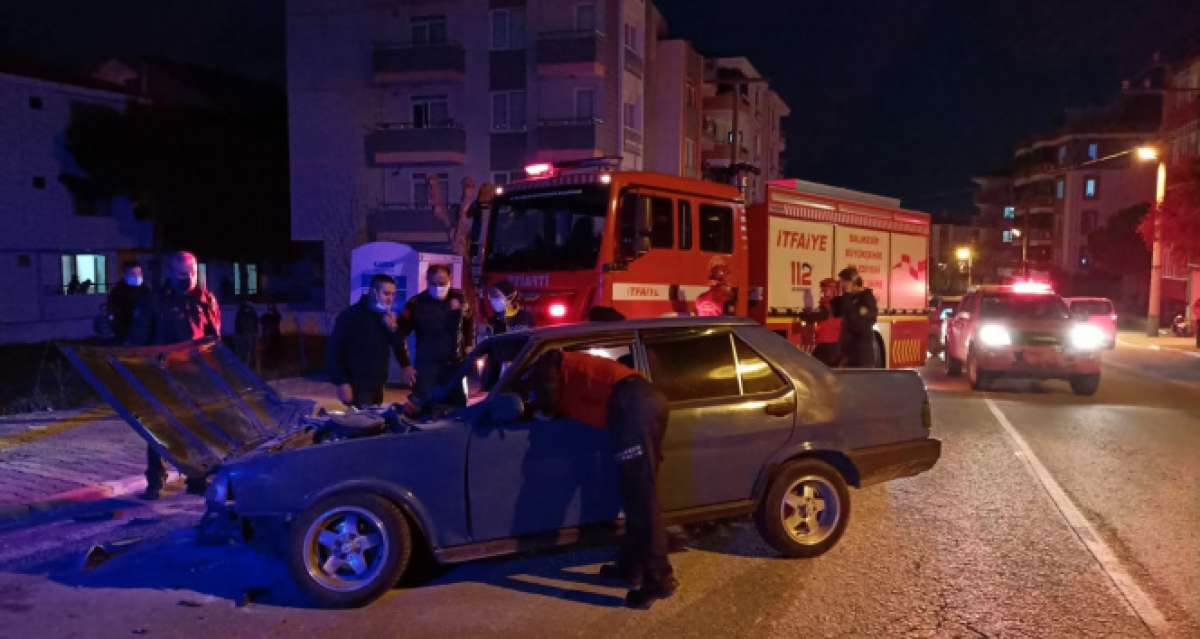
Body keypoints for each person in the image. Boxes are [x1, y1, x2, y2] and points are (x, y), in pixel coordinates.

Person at [529, 350, 676, 608]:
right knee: (633, 495)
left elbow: (549, 403)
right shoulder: (567, 365)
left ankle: (659, 579)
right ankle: (631, 566)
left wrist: (535, 407)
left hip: (633, 405)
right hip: (639, 402)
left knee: (641, 500)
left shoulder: (547, 365)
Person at [127, 251, 221, 500]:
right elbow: (139, 339)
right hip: (162, 376)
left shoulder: (205, 299)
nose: (187, 278)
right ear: (170, 273)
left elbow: (215, 340)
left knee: (196, 428)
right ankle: (155, 481)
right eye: (182, 274)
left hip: (196, 377)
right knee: (158, 429)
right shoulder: (155, 301)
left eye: (191, 273)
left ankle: (197, 478)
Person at [396, 264, 474, 407]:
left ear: (450, 279)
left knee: (457, 409)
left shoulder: (459, 298)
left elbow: (469, 322)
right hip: (427, 367)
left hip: (454, 366)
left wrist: (469, 345)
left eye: (442, 283)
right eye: (434, 283)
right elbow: (399, 334)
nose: (438, 287)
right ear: (427, 281)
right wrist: (405, 365)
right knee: (424, 408)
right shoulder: (416, 303)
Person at [325, 274, 407, 408]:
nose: (390, 299)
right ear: (373, 292)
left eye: (393, 295)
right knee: (362, 421)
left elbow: (397, 345)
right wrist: (341, 382)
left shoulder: (386, 317)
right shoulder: (350, 316)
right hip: (356, 382)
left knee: (373, 418)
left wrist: (393, 329)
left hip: (378, 382)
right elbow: (333, 351)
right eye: (386, 294)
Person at [830, 267, 878, 368]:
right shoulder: (849, 298)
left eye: (844, 282)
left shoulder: (866, 299)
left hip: (861, 357)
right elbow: (836, 313)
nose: (842, 285)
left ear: (852, 282)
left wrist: (846, 297)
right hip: (847, 355)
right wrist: (835, 296)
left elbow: (857, 324)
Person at [800, 278, 842, 367]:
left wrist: (806, 309)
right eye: (822, 291)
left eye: (825, 291)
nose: (822, 294)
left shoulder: (829, 306)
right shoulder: (836, 305)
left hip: (828, 348)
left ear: (833, 291)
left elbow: (811, 317)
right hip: (833, 347)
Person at [107, 261, 150, 343]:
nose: (137, 276)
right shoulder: (117, 292)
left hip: (145, 334)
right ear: (124, 275)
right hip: (124, 334)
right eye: (133, 273)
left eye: (139, 273)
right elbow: (113, 313)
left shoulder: (146, 290)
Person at [234, 301, 259, 366]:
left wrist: (255, 332)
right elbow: (238, 324)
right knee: (245, 350)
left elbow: (255, 323)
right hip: (244, 334)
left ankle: (245, 365)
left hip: (248, 334)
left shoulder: (251, 313)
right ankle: (244, 365)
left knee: (247, 351)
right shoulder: (243, 313)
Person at [260, 302, 283, 367]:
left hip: (274, 336)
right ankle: (269, 364)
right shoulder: (266, 316)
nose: (270, 309)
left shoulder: (276, 316)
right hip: (269, 337)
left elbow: (276, 320)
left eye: (271, 307)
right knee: (268, 351)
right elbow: (262, 321)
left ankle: (274, 364)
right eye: (269, 308)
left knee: (274, 351)